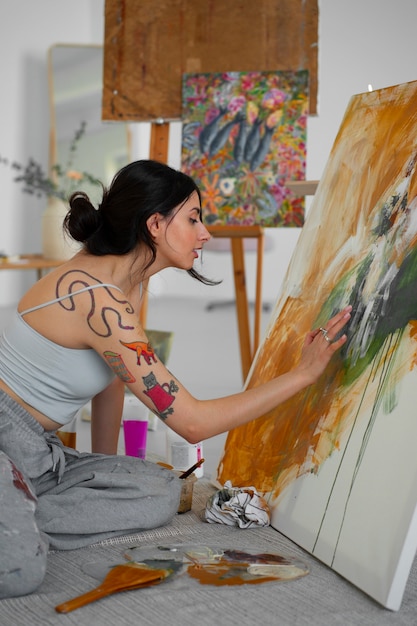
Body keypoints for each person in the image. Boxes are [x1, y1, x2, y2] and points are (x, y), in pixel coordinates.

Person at [0, 159, 351, 598]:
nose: (204, 233)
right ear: (154, 224)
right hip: (6, 440)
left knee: (164, 489)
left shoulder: (124, 282)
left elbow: (113, 380)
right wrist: (303, 374)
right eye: (193, 218)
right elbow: (193, 423)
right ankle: (19, 529)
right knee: (20, 571)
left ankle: (21, 510)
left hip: (38, 453)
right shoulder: (99, 301)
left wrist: (106, 470)